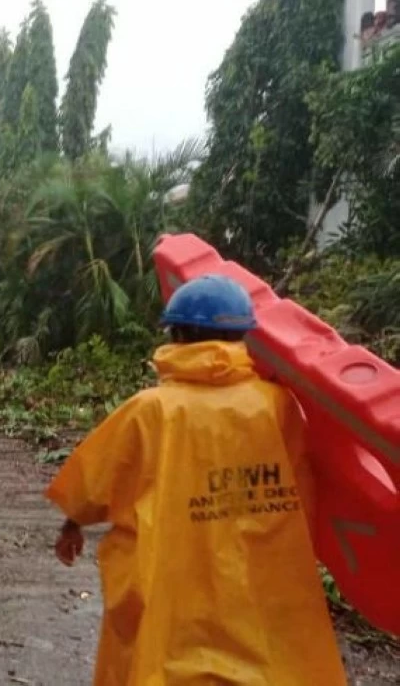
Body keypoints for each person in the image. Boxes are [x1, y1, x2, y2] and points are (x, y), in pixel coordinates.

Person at [46, 275, 346, 686]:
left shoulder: (152, 410)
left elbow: (97, 478)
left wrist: (72, 523)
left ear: (179, 334)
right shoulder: (277, 405)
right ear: (243, 334)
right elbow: (305, 489)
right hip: (257, 581)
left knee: (161, 659)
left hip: (172, 582)